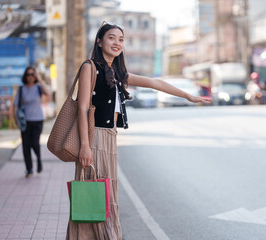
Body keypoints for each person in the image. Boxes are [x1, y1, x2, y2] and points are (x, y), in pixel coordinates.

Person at [66, 22, 211, 240]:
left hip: (109, 138)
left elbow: (154, 82)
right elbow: (83, 107)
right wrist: (85, 146)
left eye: (121, 39)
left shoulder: (116, 72)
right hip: (93, 137)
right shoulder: (90, 67)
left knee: (107, 198)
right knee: (94, 197)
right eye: (112, 38)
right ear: (99, 41)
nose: (117, 43)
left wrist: (188, 96)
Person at [13, 67, 51, 178]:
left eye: (32, 74)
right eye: (28, 74)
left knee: (34, 143)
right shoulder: (21, 89)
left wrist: (39, 78)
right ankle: (29, 169)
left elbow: (48, 93)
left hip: (38, 120)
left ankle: (38, 159)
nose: (30, 76)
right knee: (26, 146)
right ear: (25, 76)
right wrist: (16, 119)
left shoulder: (39, 88)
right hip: (25, 121)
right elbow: (15, 105)